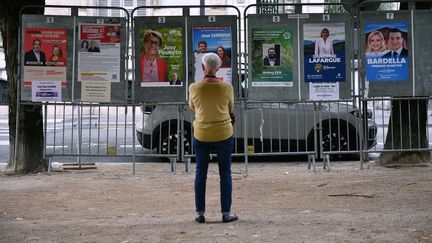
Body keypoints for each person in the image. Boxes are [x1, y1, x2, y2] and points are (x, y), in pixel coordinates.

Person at [189, 53, 238, 224]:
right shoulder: (227, 87)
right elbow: (230, 107)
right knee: (225, 173)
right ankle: (226, 213)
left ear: (203, 67)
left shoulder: (194, 87)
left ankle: (200, 213)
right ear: (219, 67)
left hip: (201, 134)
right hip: (223, 133)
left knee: (200, 173)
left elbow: (192, 106)